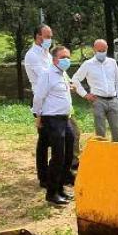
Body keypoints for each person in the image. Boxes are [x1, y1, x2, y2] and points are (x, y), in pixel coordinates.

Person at [24, 25, 80, 188]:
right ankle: (45, 177)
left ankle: (62, 174)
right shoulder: (32, 55)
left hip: (57, 101)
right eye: (46, 37)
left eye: (50, 36)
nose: (49, 40)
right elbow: (46, 76)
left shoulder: (48, 54)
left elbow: (60, 72)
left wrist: (68, 82)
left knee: (68, 137)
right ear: (37, 36)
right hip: (44, 102)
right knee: (45, 141)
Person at [32, 45, 77, 206]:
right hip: (52, 119)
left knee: (68, 154)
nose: (67, 60)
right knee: (58, 156)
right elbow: (38, 97)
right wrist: (37, 115)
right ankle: (52, 193)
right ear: (54, 59)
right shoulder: (47, 75)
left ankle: (61, 188)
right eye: (63, 57)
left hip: (65, 119)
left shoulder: (63, 73)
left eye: (68, 57)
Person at [71, 39, 118, 142]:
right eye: (99, 50)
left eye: (103, 50)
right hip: (98, 100)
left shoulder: (112, 63)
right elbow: (75, 79)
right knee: (100, 131)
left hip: (113, 99)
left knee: (117, 129)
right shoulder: (88, 64)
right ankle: (102, 153)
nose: (102, 52)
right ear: (94, 50)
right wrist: (85, 95)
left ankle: (116, 153)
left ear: (107, 49)